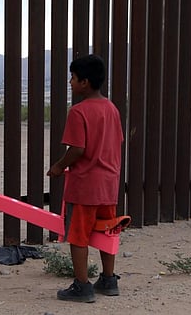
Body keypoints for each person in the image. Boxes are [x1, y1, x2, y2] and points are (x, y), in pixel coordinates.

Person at [47, 54, 124, 303]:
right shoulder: (112, 109)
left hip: (85, 187)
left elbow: (78, 149)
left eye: (73, 78)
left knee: (78, 235)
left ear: (85, 82)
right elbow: (115, 143)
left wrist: (58, 167)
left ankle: (82, 286)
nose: (70, 82)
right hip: (108, 184)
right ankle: (109, 280)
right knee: (107, 231)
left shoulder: (78, 112)